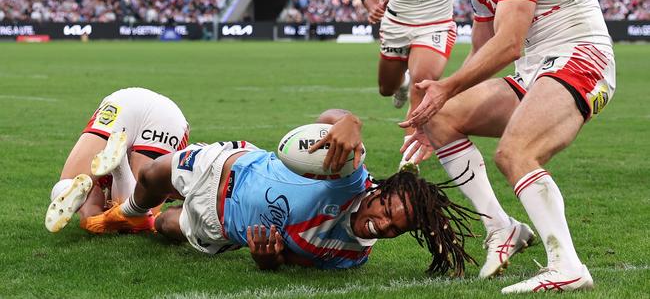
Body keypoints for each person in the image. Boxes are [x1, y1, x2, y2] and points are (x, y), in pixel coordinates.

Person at [398, 0, 616, 293]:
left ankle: (567, 266)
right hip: (535, 73)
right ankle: (502, 227)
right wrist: (437, 104)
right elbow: (483, 50)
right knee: (442, 117)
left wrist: (445, 86)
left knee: (516, 152)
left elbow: (509, 43)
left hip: (581, 61)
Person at [83, 109, 480, 274]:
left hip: (222, 226)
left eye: (395, 228)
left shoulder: (348, 258)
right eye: (386, 209)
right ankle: (126, 208)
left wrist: (267, 260)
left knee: (168, 225)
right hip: (225, 167)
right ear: (379, 191)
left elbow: (290, 258)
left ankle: (137, 210)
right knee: (154, 176)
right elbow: (330, 121)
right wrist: (350, 123)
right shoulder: (349, 174)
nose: (383, 224)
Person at [360, 0, 471, 170]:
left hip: (436, 25)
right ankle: (400, 84)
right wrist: (372, 5)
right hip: (396, 26)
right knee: (386, 88)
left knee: (421, 84)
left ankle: (408, 160)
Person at [45, 87, 190, 233]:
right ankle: (119, 168)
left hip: (123, 101)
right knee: (135, 211)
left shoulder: (102, 172)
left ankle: (91, 215)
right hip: (166, 115)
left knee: (67, 184)